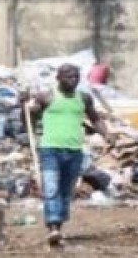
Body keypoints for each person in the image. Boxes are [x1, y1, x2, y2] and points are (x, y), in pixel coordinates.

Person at [26, 63, 109, 246]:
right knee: (50, 188)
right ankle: (53, 227)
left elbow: (95, 119)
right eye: (68, 77)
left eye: (76, 77)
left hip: (74, 151)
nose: (73, 80)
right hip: (50, 150)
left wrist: (106, 134)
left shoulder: (84, 98)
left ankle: (58, 226)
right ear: (58, 78)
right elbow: (29, 119)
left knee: (65, 192)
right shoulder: (46, 97)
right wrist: (26, 110)